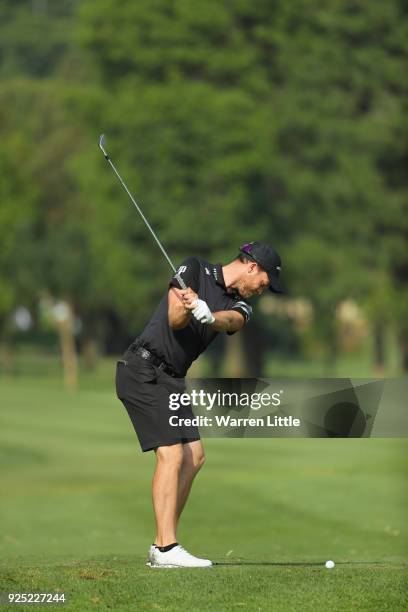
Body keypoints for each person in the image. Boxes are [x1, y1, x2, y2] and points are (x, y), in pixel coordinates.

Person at [115, 241, 283, 568]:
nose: (263, 290)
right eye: (264, 282)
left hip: (172, 379)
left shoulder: (240, 304)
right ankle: (166, 549)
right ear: (252, 266)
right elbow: (175, 319)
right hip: (143, 369)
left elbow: (232, 321)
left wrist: (209, 315)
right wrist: (187, 303)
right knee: (172, 453)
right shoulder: (194, 268)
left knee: (195, 455)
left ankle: (162, 543)